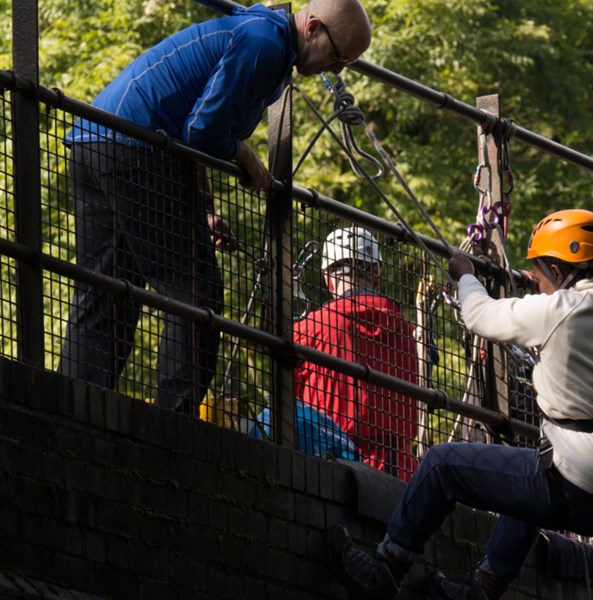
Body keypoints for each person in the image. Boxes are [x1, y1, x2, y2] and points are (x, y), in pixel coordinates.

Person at [327, 209, 593, 600]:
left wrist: (465, 274)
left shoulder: (558, 310)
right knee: (527, 483)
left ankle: (386, 569)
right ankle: (483, 590)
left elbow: (480, 315)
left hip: (581, 485)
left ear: (558, 271)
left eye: (539, 274)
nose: (538, 284)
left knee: (441, 464)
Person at [57, 0, 372, 415]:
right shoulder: (264, 45)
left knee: (108, 289)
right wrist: (243, 155)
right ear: (312, 27)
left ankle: (71, 408)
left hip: (95, 139)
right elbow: (201, 131)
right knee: (195, 291)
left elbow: (194, 127)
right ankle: (175, 427)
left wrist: (203, 208)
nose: (336, 71)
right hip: (134, 148)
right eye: (337, 56)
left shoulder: (264, 38)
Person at [293, 227, 419, 481]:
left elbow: (288, 401)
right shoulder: (408, 333)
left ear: (328, 279)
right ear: (375, 275)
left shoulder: (309, 330)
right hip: (401, 474)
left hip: (329, 471)